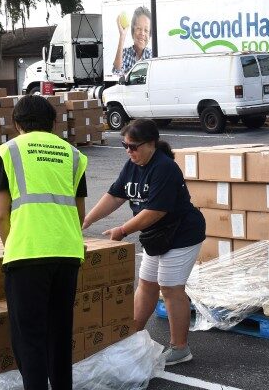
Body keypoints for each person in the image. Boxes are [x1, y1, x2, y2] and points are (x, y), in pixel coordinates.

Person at [83, 118, 205, 366]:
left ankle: (180, 348)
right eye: (125, 146)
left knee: (170, 288)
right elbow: (115, 195)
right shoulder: (132, 165)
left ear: (151, 144)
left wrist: (122, 230)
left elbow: (156, 211)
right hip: (156, 236)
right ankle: (131, 336)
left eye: (133, 146)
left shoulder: (165, 168)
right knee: (147, 284)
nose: (129, 151)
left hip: (181, 234)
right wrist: (86, 221)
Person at [0, 95, 87, 390]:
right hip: (67, 252)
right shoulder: (73, 154)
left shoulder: (8, 152)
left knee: (29, 338)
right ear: (54, 123)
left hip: (27, 253)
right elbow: (79, 212)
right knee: (59, 335)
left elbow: (0, 215)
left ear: (17, 123)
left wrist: (13, 245)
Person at [112, 6, 152, 76]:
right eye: (139, 28)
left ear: (150, 35)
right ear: (133, 31)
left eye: (146, 30)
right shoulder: (124, 53)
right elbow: (116, 73)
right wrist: (122, 36)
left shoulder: (152, 56)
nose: (142, 33)